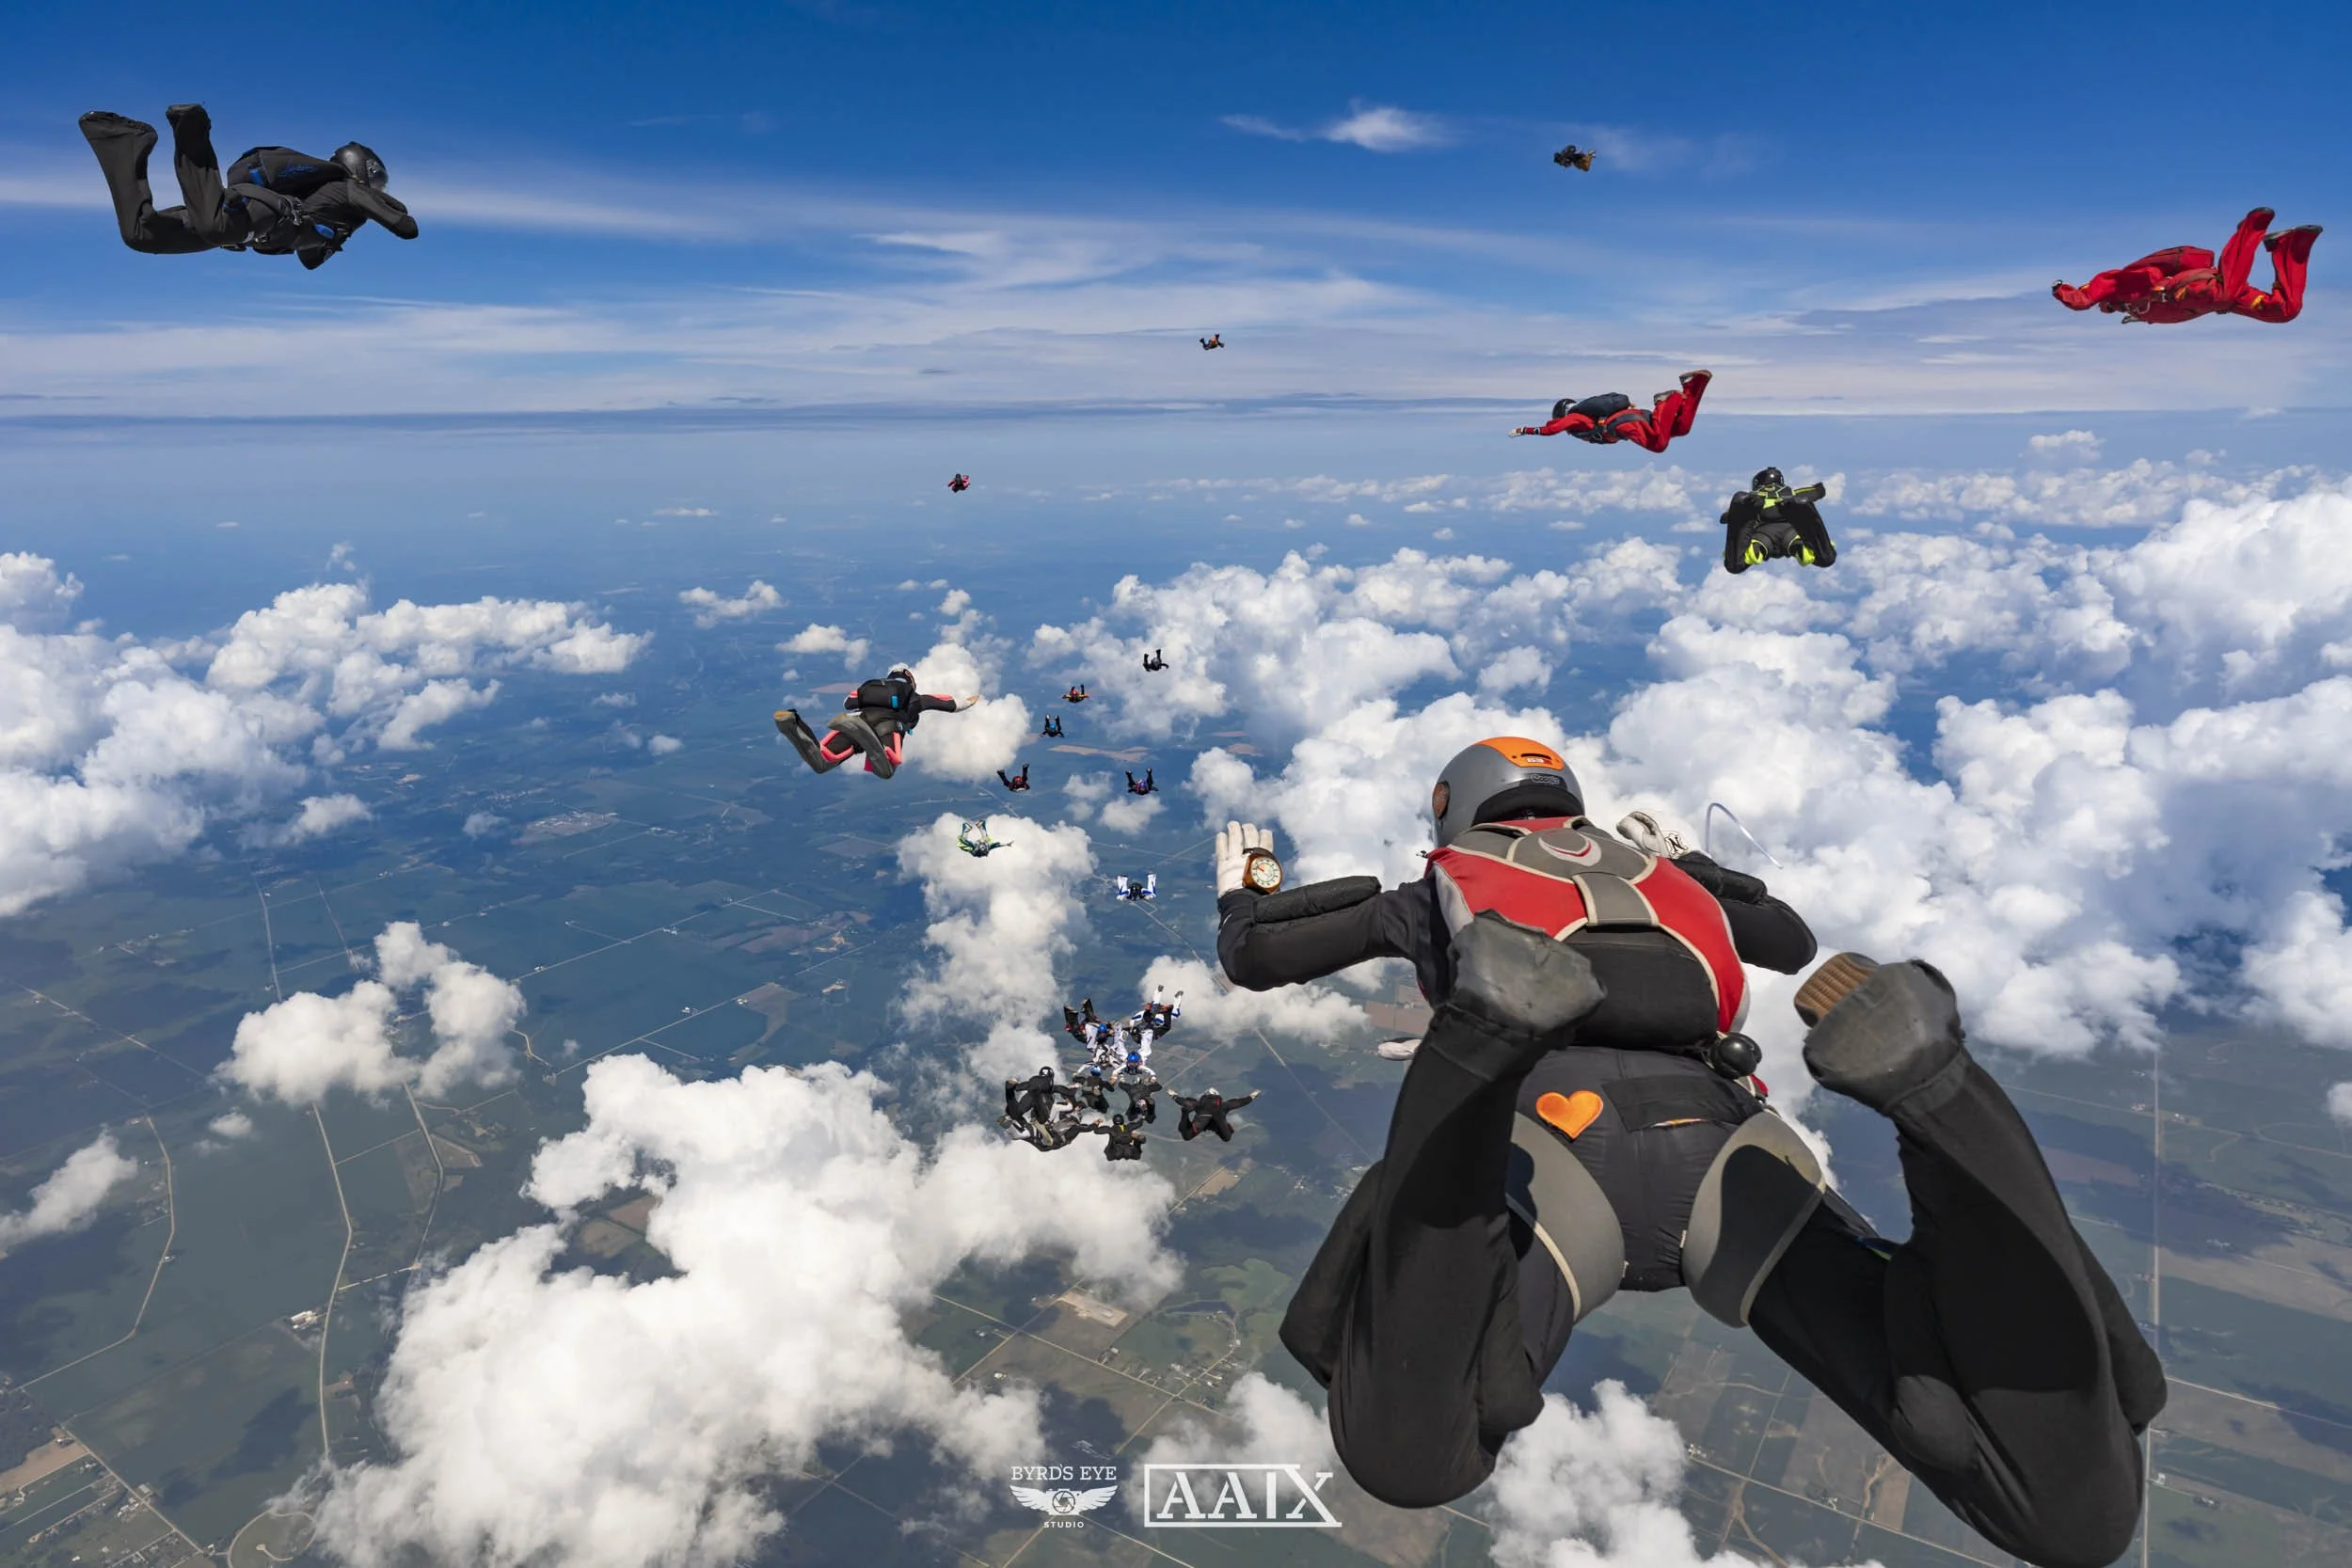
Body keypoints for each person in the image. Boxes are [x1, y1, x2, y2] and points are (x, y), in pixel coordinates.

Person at [1225, 739, 2163, 1568]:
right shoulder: (1661, 875)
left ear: (1455, 807)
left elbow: (1259, 959)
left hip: (1548, 1136)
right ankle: (1941, 1097)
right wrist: (1692, 861)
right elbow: (1790, 941)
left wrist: (1244, 898)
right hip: (1726, 1142)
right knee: (2069, 1522)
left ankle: (1480, 1039)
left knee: (1409, 1453)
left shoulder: (1444, 880)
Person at [79, 104, 418, 267]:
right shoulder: (348, 189)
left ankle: (124, 141)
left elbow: (310, 260)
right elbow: (407, 228)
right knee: (215, 228)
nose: (381, 192)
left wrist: (342, 230)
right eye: (380, 184)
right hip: (256, 212)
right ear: (364, 172)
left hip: (245, 226)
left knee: (140, 235)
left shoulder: (335, 209)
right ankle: (190, 127)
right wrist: (374, 211)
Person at [2054, 207, 2321, 325]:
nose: (2108, 308)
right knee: (2284, 311)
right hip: (2214, 299)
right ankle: (2287, 246)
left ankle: (2250, 229)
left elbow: (2085, 296)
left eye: (2107, 306)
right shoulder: (2137, 311)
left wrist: (2061, 291)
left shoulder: (2122, 286)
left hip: (2193, 289)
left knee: (2224, 293)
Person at [773, 667, 975, 780]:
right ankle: (860, 732)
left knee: (821, 763)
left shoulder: (871, 689)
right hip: (886, 728)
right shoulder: (916, 698)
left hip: (857, 719)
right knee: (886, 770)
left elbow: (848, 702)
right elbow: (952, 704)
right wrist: (971, 701)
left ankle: (791, 723)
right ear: (911, 684)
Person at [1510, 372, 1709, 453]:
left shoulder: (1574, 419)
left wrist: (1524, 430)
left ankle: (1666, 400)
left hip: (1625, 423)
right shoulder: (1583, 418)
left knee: (1659, 445)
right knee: (1681, 429)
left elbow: (1550, 430)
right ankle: (1694, 383)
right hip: (1631, 420)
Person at [1721, 468, 1837, 573]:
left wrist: (1742, 511)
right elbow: (1819, 491)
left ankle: (1748, 511)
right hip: (1792, 529)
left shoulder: (1752, 497)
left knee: (1736, 565)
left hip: (1764, 533)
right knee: (1825, 559)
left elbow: (1725, 518)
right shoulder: (1793, 493)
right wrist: (1811, 493)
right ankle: (1803, 511)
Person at [1176, 1086, 1259, 1142]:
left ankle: (1185, 1115)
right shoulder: (1224, 1105)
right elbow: (1241, 1102)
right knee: (1227, 1138)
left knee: (1186, 1136)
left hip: (1203, 1120)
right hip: (1217, 1122)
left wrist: (1173, 1095)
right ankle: (1218, 1118)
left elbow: (1183, 1102)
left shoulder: (1199, 1104)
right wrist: (1253, 1095)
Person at [1081, 1114, 1148, 1162]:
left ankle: (1138, 1139)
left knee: (1112, 1144)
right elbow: (1139, 1124)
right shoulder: (1129, 1127)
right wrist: (1143, 1117)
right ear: (1122, 1120)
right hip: (1129, 1152)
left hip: (1115, 1153)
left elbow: (1096, 1131)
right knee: (1137, 1138)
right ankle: (1139, 1139)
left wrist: (1097, 1123)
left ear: (1114, 1121)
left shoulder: (1111, 1129)